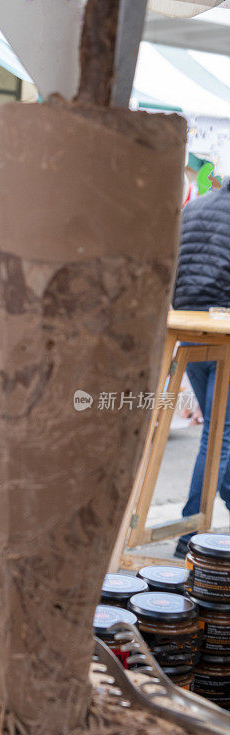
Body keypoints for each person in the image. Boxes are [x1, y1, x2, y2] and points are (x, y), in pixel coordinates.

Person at [172, 176, 230, 558]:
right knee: (220, 434)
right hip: (223, 329)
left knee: (217, 433)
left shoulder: (195, 208)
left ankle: (191, 526)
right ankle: (190, 531)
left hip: (186, 326)